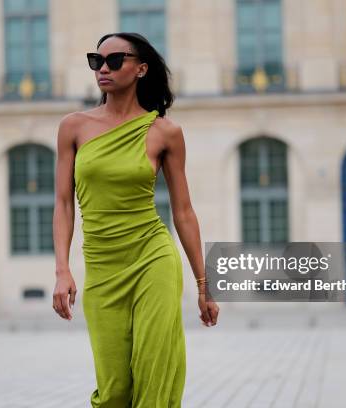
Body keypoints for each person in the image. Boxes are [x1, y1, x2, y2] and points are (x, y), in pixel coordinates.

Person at [52, 31, 220, 407]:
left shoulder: (165, 132)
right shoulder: (73, 127)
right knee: (114, 390)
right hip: (101, 266)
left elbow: (184, 211)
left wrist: (203, 284)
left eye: (114, 61)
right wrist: (62, 269)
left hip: (153, 258)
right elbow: (63, 203)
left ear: (141, 69)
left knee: (155, 371)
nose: (103, 69)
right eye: (97, 61)